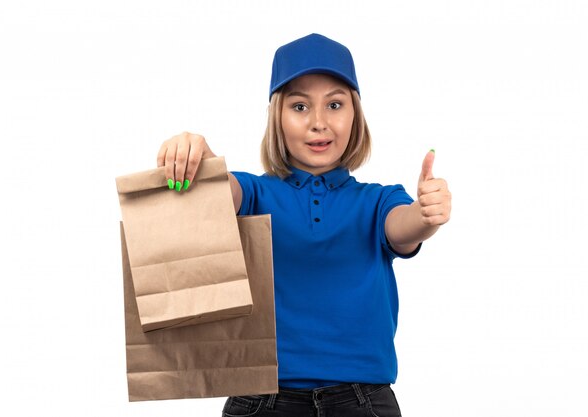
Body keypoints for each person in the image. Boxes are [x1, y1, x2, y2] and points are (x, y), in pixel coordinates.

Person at [157, 33, 451, 417]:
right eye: (299, 106)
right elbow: (218, 192)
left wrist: (424, 215)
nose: (318, 122)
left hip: (363, 402)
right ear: (277, 118)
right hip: (263, 401)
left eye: (334, 104)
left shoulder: (379, 200)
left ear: (354, 116)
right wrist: (199, 156)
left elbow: (402, 227)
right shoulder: (254, 193)